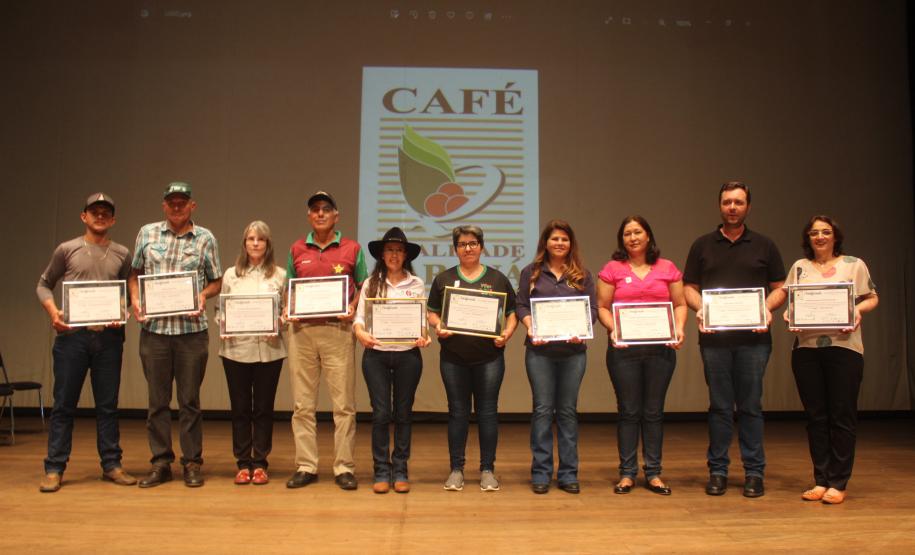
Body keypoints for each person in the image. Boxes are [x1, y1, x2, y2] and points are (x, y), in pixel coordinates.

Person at [683, 181, 786, 498]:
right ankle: (718, 471)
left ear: (748, 207)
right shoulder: (702, 245)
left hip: (754, 341)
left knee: (751, 407)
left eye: (738, 202)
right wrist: (702, 311)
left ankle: (754, 472)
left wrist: (765, 309)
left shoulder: (764, 245)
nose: (732, 207)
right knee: (719, 407)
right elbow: (689, 289)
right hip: (715, 341)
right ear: (719, 206)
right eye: (727, 202)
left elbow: (780, 287)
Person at [773, 215, 877, 504]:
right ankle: (820, 478)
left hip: (845, 348)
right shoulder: (800, 267)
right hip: (806, 350)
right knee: (816, 417)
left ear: (835, 236)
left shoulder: (853, 264)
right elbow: (789, 299)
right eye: (814, 232)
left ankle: (838, 481)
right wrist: (787, 313)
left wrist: (858, 311)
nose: (820, 237)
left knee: (841, 415)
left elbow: (871, 297)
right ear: (807, 238)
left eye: (825, 232)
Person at [36, 193, 136, 492]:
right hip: (72, 338)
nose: (100, 215)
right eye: (95, 211)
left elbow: (128, 292)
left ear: (113, 218)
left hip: (108, 338)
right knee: (64, 405)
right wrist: (54, 312)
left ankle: (112, 465)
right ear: (84, 216)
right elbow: (43, 285)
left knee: (108, 406)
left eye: (106, 212)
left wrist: (126, 312)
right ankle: (54, 468)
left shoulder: (122, 253)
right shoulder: (66, 250)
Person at [128, 182, 223, 488]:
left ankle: (192, 462)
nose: (177, 207)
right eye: (172, 202)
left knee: (189, 401)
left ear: (192, 205)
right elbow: (135, 274)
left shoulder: (205, 238)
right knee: (157, 402)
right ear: (164, 205)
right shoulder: (147, 233)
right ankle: (160, 462)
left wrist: (202, 296)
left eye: (183, 202)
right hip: (154, 332)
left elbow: (217, 281)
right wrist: (135, 299)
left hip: (191, 333)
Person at [596, 216, 687, 496]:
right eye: (627, 233)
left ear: (648, 236)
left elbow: (680, 304)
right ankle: (627, 473)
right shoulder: (612, 269)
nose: (632, 237)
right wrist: (615, 330)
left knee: (653, 412)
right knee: (628, 411)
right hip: (624, 351)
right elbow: (602, 307)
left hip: (660, 350)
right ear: (621, 239)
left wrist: (679, 328)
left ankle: (654, 473)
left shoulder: (667, 268)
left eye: (638, 232)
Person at [285, 191, 368, 491]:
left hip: (338, 331)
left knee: (344, 405)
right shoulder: (297, 249)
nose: (320, 214)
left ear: (336, 216)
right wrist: (287, 310)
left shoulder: (352, 248)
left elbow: (364, 286)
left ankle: (343, 467)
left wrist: (353, 308)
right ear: (309, 216)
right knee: (302, 405)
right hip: (302, 334)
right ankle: (306, 465)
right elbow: (289, 290)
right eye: (315, 209)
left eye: (326, 209)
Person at [428, 225, 517, 492]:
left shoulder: (498, 279)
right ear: (455, 249)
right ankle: (456, 469)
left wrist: (507, 334)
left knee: (488, 413)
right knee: (457, 413)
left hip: (490, 358)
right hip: (453, 358)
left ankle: (488, 470)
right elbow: (432, 311)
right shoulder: (443, 279)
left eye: (473, 243)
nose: (468, 248)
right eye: (463, 244)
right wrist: (438, 325)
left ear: (481, 246)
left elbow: (512, 313)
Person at [516, 220, 596, 495]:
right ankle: (540, 472)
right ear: (545, 243)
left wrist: (583, 329)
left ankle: (568, 473)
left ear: (570, 243)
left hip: (573, 353)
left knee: (567, 412)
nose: (559, 243)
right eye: (554, 239)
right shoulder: (531, 272)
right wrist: (530, 326)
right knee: (541, 411)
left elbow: (592, 310)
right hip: (539, 352)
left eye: (564, 239)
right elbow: (521, 305)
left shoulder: (582, 274)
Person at [353, 227, 430, 494]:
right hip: (376, 355)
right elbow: (359, 320)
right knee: (381, 414)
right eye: (389, 250)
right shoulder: (370, 283)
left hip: (408, 355)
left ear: (406, 255)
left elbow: (421, 321)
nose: (394, 254)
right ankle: (381, 470)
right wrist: (360, 333)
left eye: (399, 250)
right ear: (382, 254)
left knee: (404, 414)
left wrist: (423, 336)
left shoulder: (416, 284)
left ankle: (401, 470)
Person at [217, 221, 286, 486]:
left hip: (270, 351)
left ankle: (260, 463)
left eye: (261, 240)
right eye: (251, 239)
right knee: (241, 409)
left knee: (264, 409)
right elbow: (221, 311)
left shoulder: (279, 275)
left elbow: (286, 311)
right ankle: (242, 462)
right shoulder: (231, 275)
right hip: (236, 350)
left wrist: (279, 322)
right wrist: (223, 325)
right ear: (244, 243)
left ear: (268, 245)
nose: (256, 243)